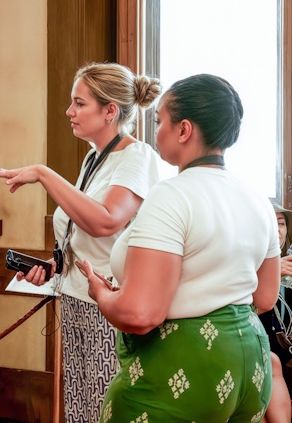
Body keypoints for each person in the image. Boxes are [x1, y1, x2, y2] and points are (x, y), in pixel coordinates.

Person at [77, 73, 280, 421]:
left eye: (160, 122)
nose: (156, 133)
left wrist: (103, 294)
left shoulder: (172, 195)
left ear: (184, 130)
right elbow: (264, 298)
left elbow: (141, 315)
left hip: (186, 365)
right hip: (250, 364)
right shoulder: (257, 198)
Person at [0, 62, 161, 422]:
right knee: (80, 408)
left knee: (103, 409)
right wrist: (53, 266)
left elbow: (106, 221)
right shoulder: (95, 157)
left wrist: (44, 174)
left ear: (110, 111)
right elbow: (81, 231)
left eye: (79, 103)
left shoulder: (137, 157)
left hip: (110, 308)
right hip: (77, 301)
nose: (70, 112)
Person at [260, 201, 292, 423]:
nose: (277, 229)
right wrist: (270, 273)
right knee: (271, 363)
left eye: (281, 223)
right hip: (262, 344)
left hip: (283, 347)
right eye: (270, 222)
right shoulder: (244, 263)